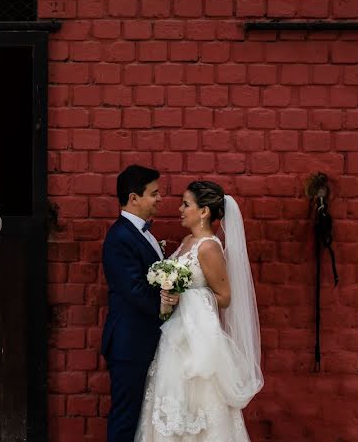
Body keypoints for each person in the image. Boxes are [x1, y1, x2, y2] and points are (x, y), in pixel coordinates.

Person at [136, 181, 263, 441]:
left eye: (186, 204)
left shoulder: (208, 247)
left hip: (198, 344)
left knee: (199, 408)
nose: (180, 209)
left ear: (204, 211)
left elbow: (225, 297)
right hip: (175, 338)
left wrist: (184, 297)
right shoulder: (187, 241)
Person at [102, 165, 170, 442]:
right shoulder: (119, 238)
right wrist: (168, 306)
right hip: (129, 344)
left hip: (144, 341)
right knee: (126, 417)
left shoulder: (144, 233)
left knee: (141, 416)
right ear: (134, 198)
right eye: (154, 193)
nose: (159, 198)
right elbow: (134, 290)